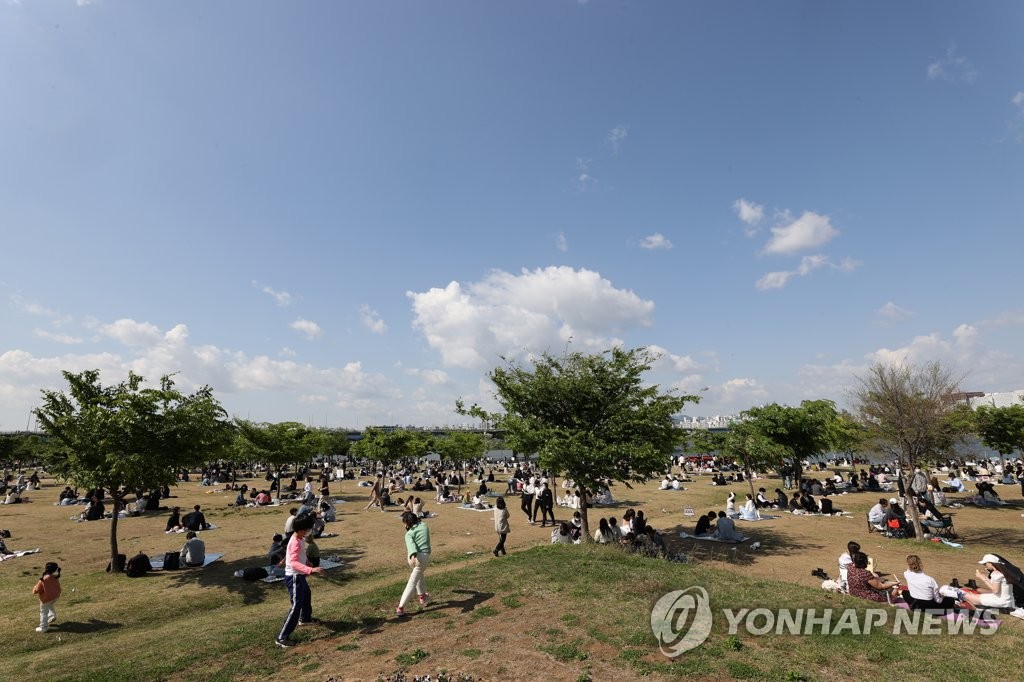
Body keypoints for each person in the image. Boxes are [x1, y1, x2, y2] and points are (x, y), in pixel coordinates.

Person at [276, 515, 325, 647]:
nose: (310, 531)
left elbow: (299, 556)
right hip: (294, 576)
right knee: (296, 605)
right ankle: (282, 637)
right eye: (309, 529)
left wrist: (307, 561)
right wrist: (311, 570)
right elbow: (292, 563)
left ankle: (305, 618)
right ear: (302, 529)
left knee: (307, 594)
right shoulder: (295, 542)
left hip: (299, 575)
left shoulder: (299, 538)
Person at [396, 511, 432, 617]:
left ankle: (422, 596)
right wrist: (414, 555)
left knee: (418, 576)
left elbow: (411, 545)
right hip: (421, 558)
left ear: (408, 523)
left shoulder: (409, 533)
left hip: (413, 559)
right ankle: (401, 607)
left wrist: (413, 555)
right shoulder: (424, 526)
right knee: (413, 581)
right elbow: (412, 546)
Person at [32, 562, 62, 633]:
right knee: (49, 605)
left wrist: (34, 588)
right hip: (55, 596)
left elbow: (36, 590)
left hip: (46, 598)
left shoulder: (43, 579)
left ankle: (43, 627)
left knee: (43, 613)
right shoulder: (55, 576)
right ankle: (52, 616)